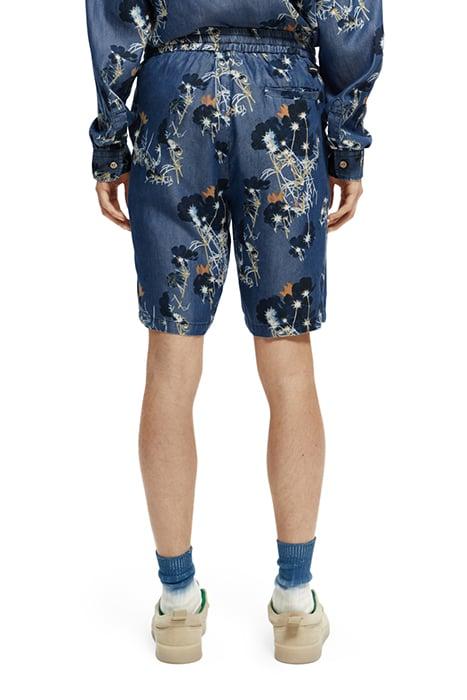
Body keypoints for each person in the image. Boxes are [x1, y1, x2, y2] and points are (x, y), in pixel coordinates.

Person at [86, 0, 383, 664]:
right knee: (288, 358)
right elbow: (348, 15)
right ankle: (296, 601)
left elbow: (116, 13)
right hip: (281, 95)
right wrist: (346, 143)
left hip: (174, 96)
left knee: (170, 357)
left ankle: (178, 602)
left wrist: (110, 143)